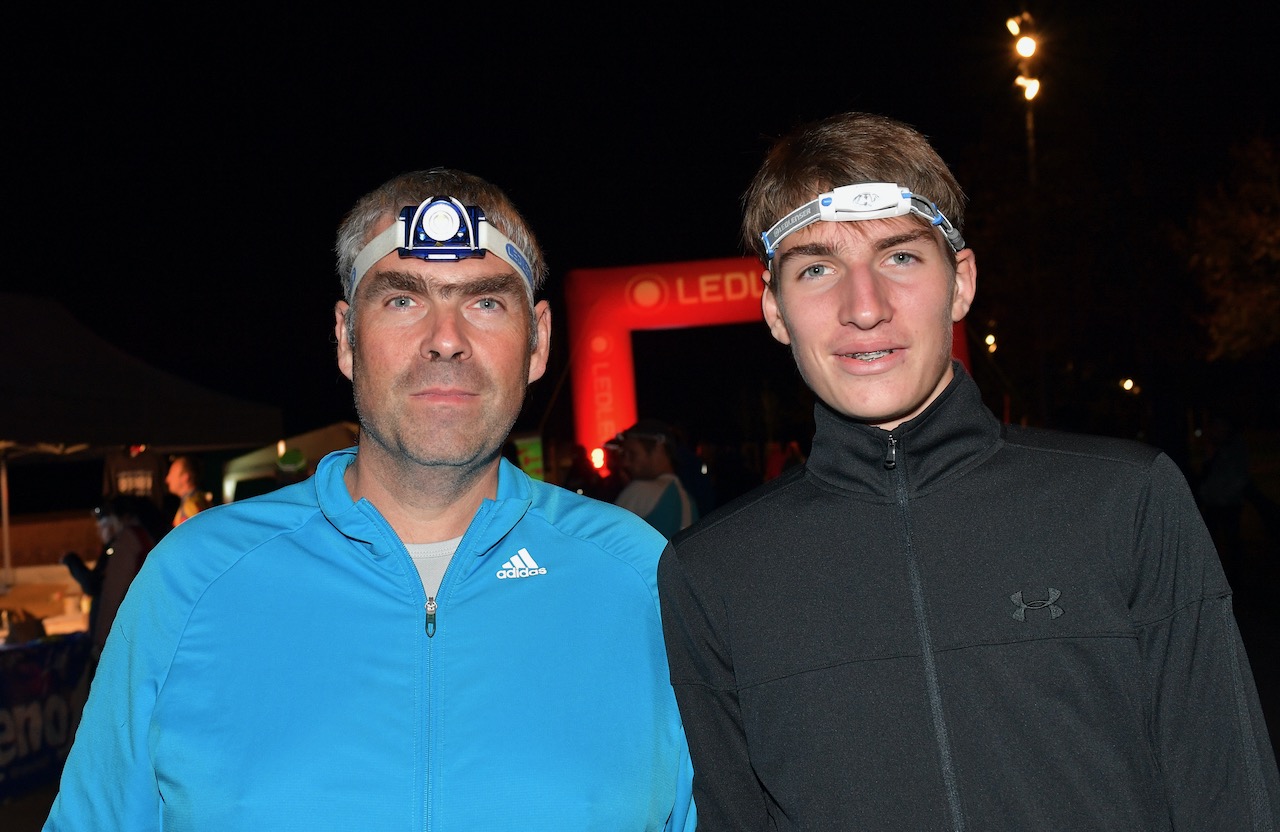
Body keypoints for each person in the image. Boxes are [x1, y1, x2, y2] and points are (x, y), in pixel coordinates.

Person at [657, 111, 1280, 830]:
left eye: (901, 257)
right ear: (773, 308)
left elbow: (1230, 793)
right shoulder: (713, 573)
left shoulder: (1127, 503)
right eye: (817, 268)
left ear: (961, 282)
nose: (865, 308)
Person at [45, 169, 695, 831]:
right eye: (402, 300)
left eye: (486, 302)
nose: (446, 339)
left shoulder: (641, 580)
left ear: (539, 341)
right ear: (345, 336)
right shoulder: (193, 580)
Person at [60, 495, 158, 664]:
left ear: (119, 518)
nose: (100, 531)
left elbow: (112, 594)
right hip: (142, 636)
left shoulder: (128, 541)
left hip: (125, 641)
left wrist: (100, 642)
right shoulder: (147, 537)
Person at [615, 418, 698, 539]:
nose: (625, 463)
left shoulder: (640, 490)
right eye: (624, 455)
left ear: (658, 449)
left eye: (632, 454)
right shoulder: (689, 501)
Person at [164, 454, 212, 526]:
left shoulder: (190, 506)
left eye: (171, 473)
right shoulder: (201, 499)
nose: (167, 479)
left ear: (185, 477)